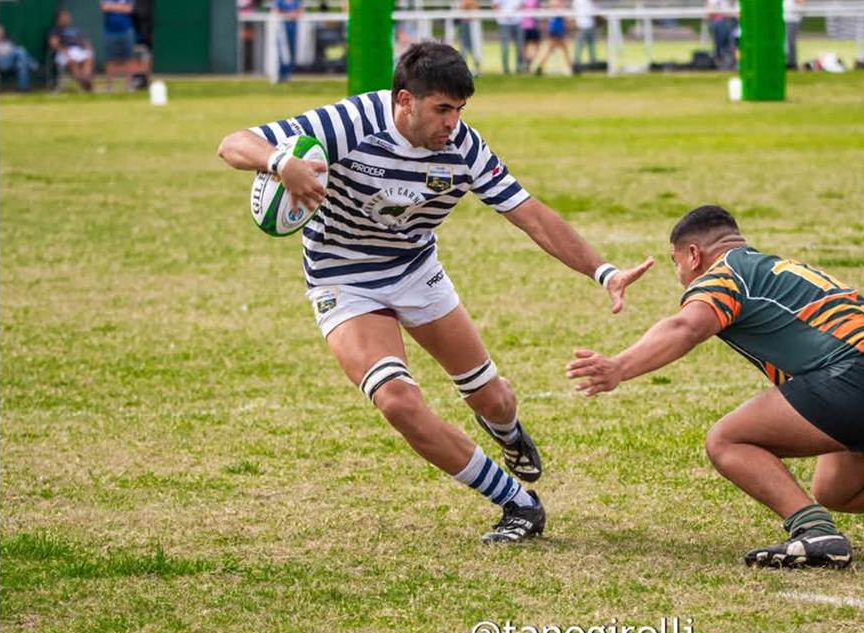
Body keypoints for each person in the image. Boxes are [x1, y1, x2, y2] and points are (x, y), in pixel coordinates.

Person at [215, 41, 653, 543]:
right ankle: (518, 503)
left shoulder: (464, 147)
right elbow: (232, 143)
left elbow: (530, 215)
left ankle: (507, 432)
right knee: (398, 401)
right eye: (442, 109)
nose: (452, 122)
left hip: (416, 272)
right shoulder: (354, 122)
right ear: (405, 100)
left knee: (492, 398)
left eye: (460, 110)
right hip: (344, 278)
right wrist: (278, 162)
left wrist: (604, 272)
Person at [567, 206, 864, 568]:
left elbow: (685, 328)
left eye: (677, 264)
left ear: (694, 254)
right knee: (838, 489)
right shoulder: (771, 267)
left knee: (727, 439)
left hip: (862, 374)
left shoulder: (727, 275)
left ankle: (815, 535)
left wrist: (619, 367)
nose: (682, 276)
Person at [100, 0, 139, 92]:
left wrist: (112, 7)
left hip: (126, 32)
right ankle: (109, 85)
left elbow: (129, 9)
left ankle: (129, 84)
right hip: (110, 33)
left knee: (129, 58)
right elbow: (104, 8)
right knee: (110, 59)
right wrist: (120, 7)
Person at [491, 0, 528, 74]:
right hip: (504, 22)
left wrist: (516, 11)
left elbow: (524, 3)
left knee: (520, 46)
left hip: (518, 20)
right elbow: (494, 4)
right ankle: (506, 69)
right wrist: (502, 15)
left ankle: (520, 68)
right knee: (505, 46)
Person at [47, 9, 94, 92]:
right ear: (59, 19)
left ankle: (85, 79)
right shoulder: (56, 30)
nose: (66, 18)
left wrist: (88, 48)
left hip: (78, 50)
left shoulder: (75, 29)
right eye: (63, 16)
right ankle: (84, 83)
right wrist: (64, 50)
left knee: (88, 59)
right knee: (72, 62)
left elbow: (85, 41)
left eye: (67, 16)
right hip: (64, 51)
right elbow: (53, 43)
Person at [532, 0, 573, 76]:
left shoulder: (558, 0)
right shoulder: (555, 0)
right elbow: (559, 13)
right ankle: (570, 67)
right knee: (559, 48)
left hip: (558, 26)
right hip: (555, 27)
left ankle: (540, 67)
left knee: (557, 48)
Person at [273, 0, 304, 83]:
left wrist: (289, 14)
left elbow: (301, 12)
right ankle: (280, 74)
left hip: (293, 29)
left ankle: (288, 74)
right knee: (281, 51)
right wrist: (290, 14)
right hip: (282, 29)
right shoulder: (278, 0)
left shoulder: (295, 0)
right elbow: (275, 12)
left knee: (291, 50)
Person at [705, 0, 735, 69]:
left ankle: (726, 62)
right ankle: (720, 63)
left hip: (723, 21)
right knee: (721, 46)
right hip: (719, 22)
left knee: (725, 44)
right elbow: (712, 10)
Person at [0, 24, 38, 92]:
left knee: (22, 64)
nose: (0, 35)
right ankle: (34, 65)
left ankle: (23, 88)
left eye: (1, 33)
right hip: (0, 63)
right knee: (21, 50)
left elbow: (12, 52)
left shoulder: (8, 42)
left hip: (10, 63)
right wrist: (2, 53)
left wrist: (7, 53)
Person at [455, 0, 483, 75]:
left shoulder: (468, 0)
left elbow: (462, 11)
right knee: (467, 48)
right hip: (467, 26)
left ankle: (473, 68)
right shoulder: (470, 0)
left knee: (467, 48)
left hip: (468, 26)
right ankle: (472, 67)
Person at [571, 0, 598, 72]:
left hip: (582, 24)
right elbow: (594, 10)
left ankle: (577, 62)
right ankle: (592, 61)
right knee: (591, 45)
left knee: (580, 44)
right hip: (589, 24)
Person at [783, 0, 805, 69]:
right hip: (785, 20)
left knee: (790, 41)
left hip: (792, 20)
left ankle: (792, 62)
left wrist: (798, 1)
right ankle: (787, 60)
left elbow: (802, 2)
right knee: (785, 42)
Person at [520, 0, 541, 73]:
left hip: (524, 25)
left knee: (525, 46)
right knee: (536, 46)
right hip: (533, 25)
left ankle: (526, 62)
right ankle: (530, 60)